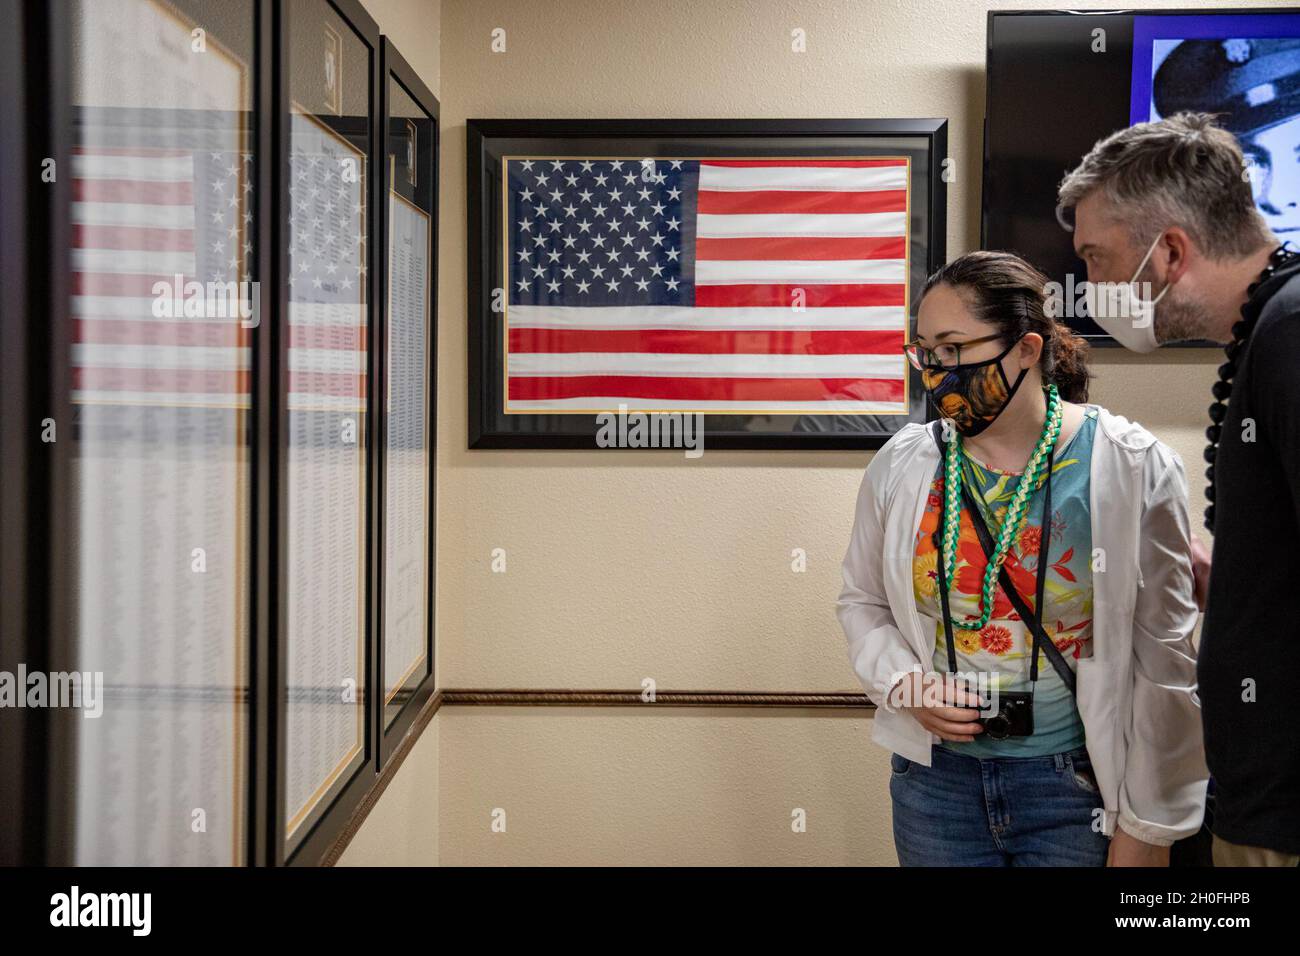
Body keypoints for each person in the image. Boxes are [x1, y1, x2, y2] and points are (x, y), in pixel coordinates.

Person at [836, 250, 1207, 866]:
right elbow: (863, 601)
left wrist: (1149, 829)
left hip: (1076, 787)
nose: (936, 371)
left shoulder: (1131, 464)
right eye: (924, 351)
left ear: (1028, 349)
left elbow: (1164, 659)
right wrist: (903, 683)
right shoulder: (905, 463)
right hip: (936, 786)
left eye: (953, 348)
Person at [1057, 111, 1300, 866]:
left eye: (1097, 260)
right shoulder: (1268, 330)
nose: (1089, 286)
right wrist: (1229, 581)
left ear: (1168, 252)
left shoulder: (1291, 331)